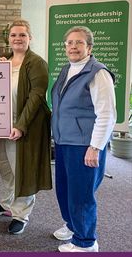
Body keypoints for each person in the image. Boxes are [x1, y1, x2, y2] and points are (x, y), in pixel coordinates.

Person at [51, 26, 116, 252]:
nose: (73, 46)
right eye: (69, 42)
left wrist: (95, 147)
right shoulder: (67, 69)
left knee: (81, 194)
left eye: (79, 42)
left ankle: (85, 242)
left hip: (84, 145)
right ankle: (72, 226)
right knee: (65, 189)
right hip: (64, 141)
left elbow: (107, 114)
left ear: (89, 47)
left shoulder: (98, 73)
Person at [0, 19, 52, 234]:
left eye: (22, 35)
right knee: (6, 167)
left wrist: (21, 125)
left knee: (22, 170)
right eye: (14, 35)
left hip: (24, 127)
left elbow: (36, 96)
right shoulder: (5, 63)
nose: (17, 39)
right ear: (8, 39)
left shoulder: (36, 63)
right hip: (1, 126)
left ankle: (21, 215)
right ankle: (7, 204)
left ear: (30, 38)